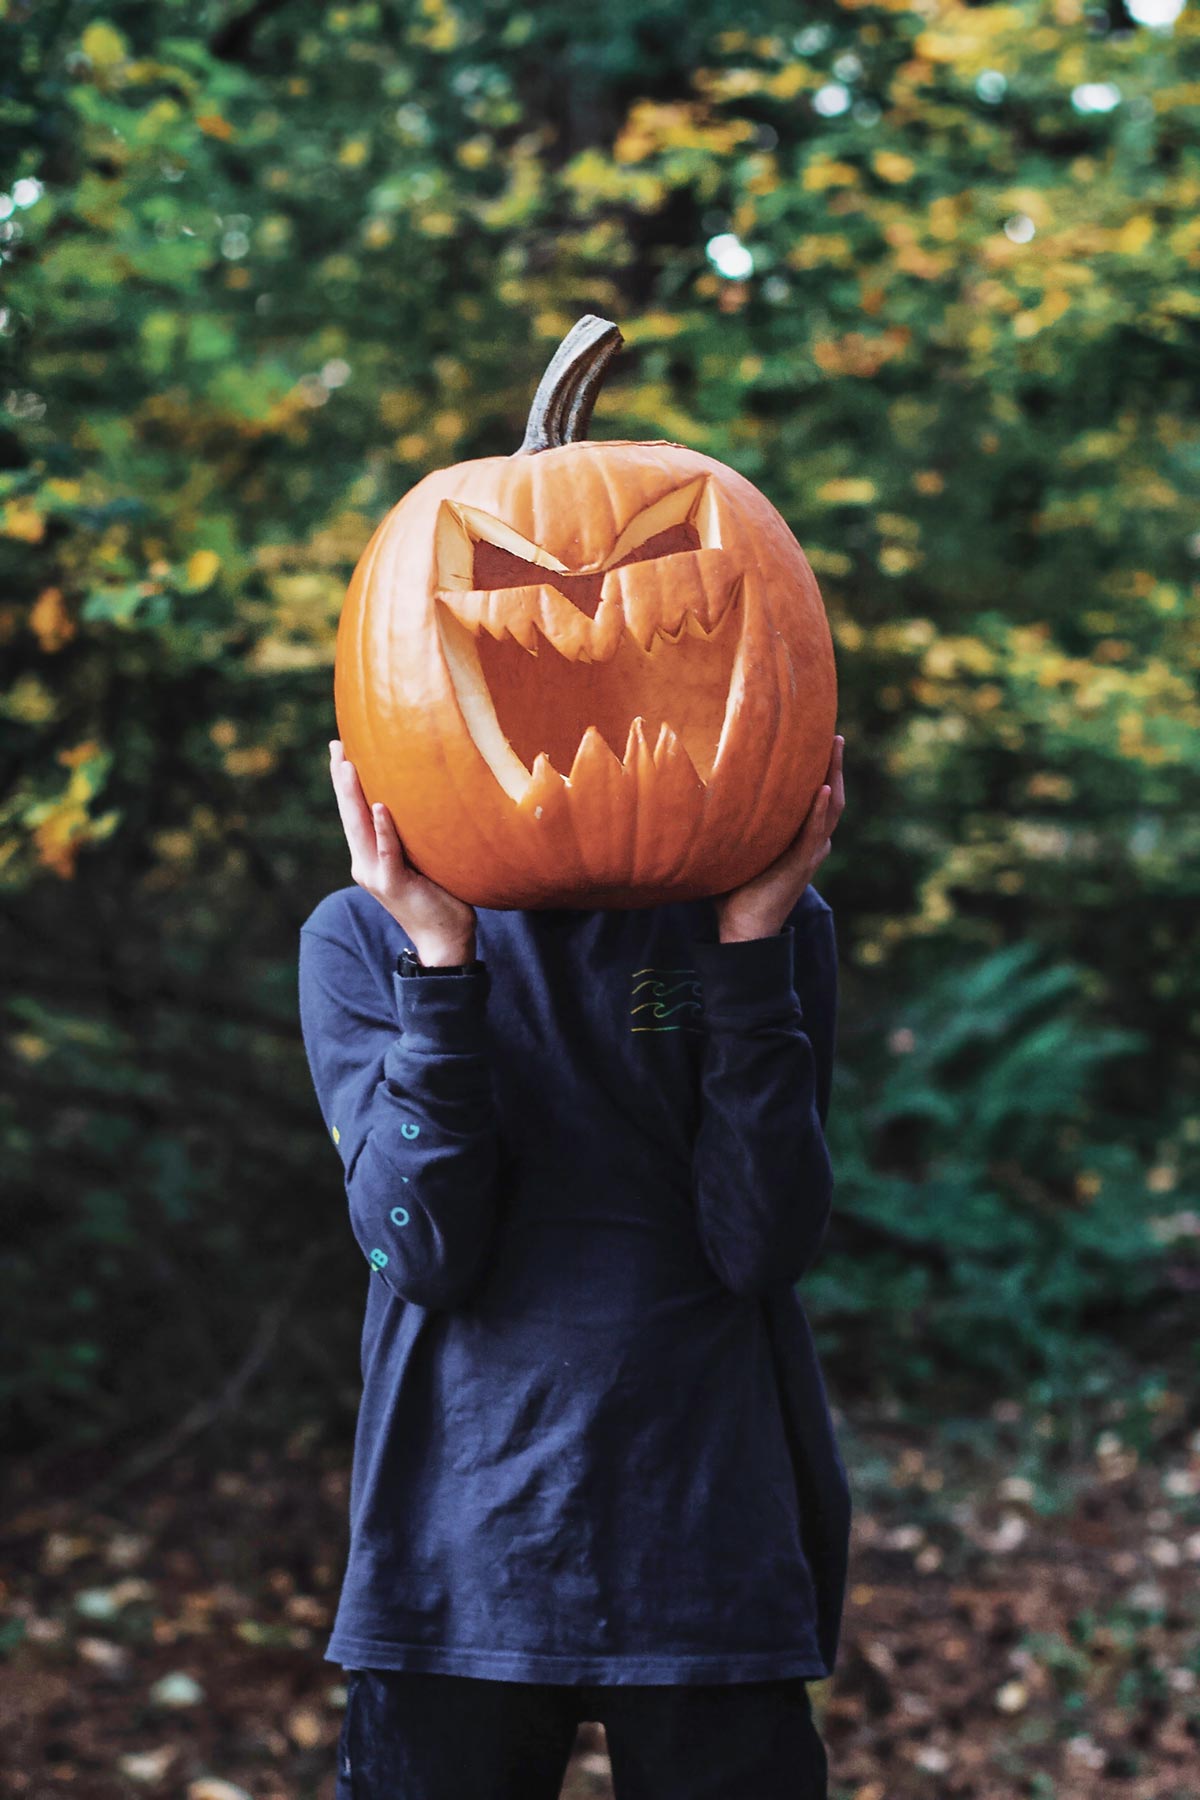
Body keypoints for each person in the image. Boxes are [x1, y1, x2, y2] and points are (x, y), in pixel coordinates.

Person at [298, 733, 849, 1800]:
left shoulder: (760, 921)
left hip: (706, 1526)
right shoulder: (362, 933)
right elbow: (421, 1252)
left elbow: (763, 1246)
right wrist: (442, 967)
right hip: (456, 1543)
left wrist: (748, 947)